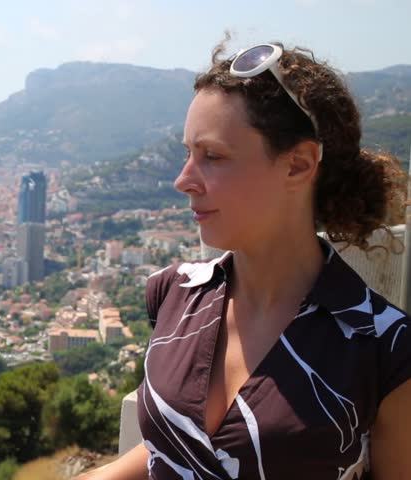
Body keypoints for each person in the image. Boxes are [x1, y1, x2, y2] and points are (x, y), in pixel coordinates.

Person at [76, 37, 411, 480]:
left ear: (298, 165)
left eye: (212, 156)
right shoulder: (174, 293)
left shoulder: (384, 347)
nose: (183, 180)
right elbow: (173, 448)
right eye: (188, 154)